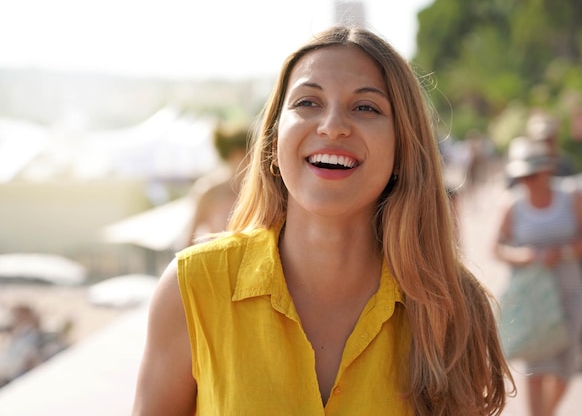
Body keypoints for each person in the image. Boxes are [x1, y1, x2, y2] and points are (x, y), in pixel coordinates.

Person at [132, 26, 513, 416]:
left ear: (402, 150)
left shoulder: (452, 306)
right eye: (308, 103)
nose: (332, 126)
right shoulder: (192, 288)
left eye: (366, 107)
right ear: (273, 146)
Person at [492, 136, 582, 416]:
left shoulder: (570, 195)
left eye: (532, 174)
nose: (527, 181)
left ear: (547, 169)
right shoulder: (512, 204)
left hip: (570, 292)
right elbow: (497, 247)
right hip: (532, 295)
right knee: (537, 367)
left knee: (566, 366)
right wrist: (523, 255)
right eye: (522, 176)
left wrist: (563, 252)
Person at [183, 123, 250, 247]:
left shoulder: (259, 190)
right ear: (236, 153)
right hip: (218, 263)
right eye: (249, 153)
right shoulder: (208, 191)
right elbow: (189, 240)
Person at [0, 304, 45, 387]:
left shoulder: (34, 337)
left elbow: (28, 361)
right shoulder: (16, 337)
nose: (15, 319)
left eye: (19, 316)